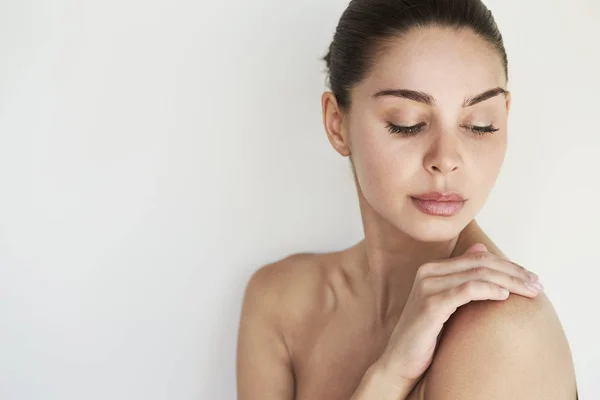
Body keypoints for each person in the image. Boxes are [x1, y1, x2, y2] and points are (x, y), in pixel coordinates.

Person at [236, 0, 578, 398]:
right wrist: (390, 371)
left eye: (480, 126)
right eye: (407, 124)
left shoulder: (502, 331)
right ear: (337, 124)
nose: (446, 160)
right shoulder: (278, 301)